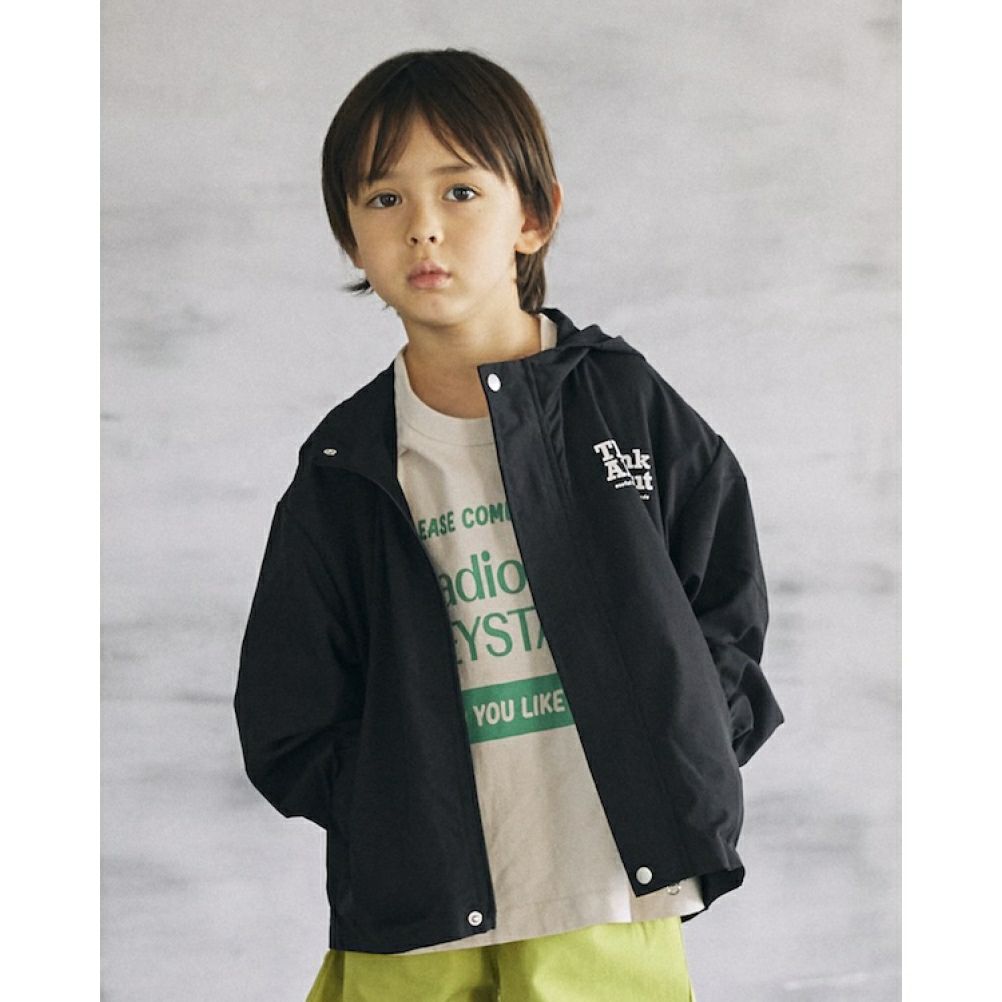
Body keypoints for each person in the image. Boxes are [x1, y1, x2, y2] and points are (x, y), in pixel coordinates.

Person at [234, 47, 784, 1002]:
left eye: (459, 191)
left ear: (534, 216)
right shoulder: (346, 464)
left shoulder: (623, 406)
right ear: (351, 238)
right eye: (384, 199)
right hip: (415, 918)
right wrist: (389, 808)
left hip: (610, 896)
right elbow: (288, 706)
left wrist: (677, 745)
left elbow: (725, 604)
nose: (423, 227)